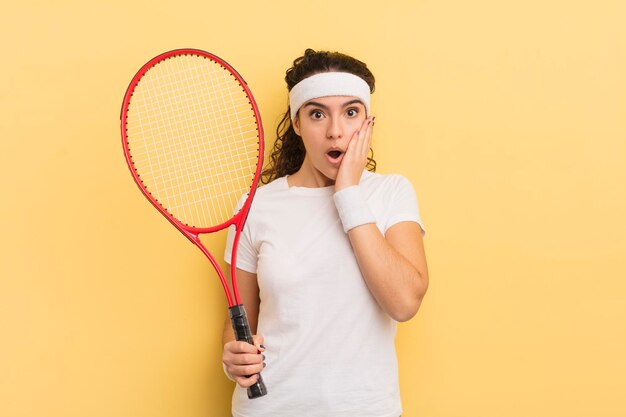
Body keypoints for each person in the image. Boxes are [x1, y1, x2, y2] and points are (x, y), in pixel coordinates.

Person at [221, 48, 429, 417]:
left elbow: (404, 302)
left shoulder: (390, 193)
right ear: (297, 123)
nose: (335, 131)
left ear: (368, 122)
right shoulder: (254, 207)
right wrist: (233, 360)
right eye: (317, 114)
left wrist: (348, 192)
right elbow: (240, 325)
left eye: (350, 113)